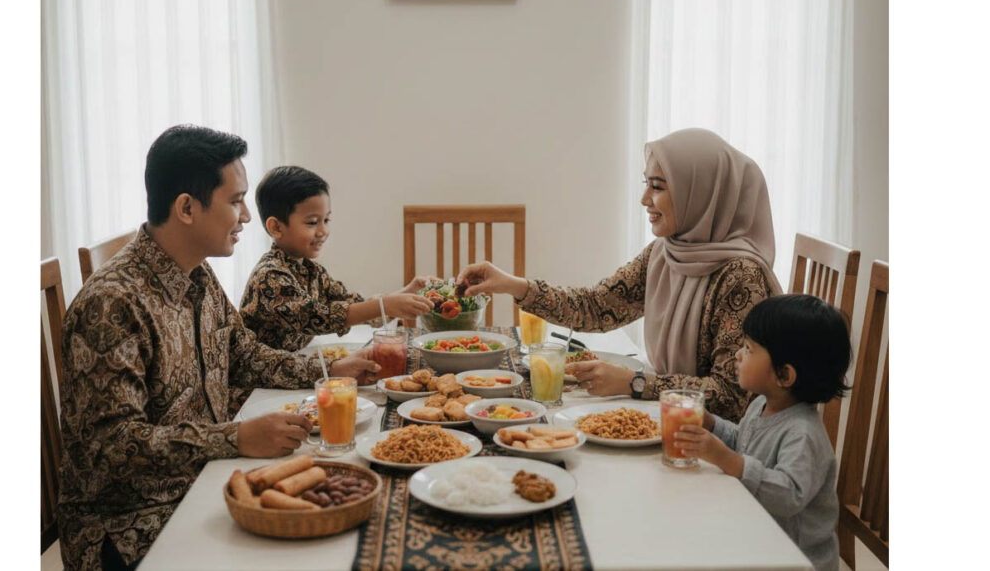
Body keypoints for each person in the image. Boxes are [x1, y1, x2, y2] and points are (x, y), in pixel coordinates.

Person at [56, 126, 380, 570]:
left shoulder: (197, 275)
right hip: (133, 526)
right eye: (235, 200)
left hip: (202, 482)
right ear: (187, 208)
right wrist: (238, 437)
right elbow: (113, 446)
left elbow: (245, 354)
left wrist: (333, 368)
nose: (247, 216)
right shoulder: (113, 304)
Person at [456, 128, 782, 421]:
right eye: (647, 185)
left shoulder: (742, 277)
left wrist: (634, 383)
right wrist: (513, 285)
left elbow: (730, 397)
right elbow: (598, 306)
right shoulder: (665, 253)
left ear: (701, 193)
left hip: (713, 445)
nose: (644, 200)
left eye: (657, 187)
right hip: (667, 417)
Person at [673, 294, 851, 571]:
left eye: (748, 348)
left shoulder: (803, 434)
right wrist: (712, 424)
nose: (738, 354)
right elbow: (745, 442)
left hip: (794, 558)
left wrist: (729, 461)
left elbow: (789, 495)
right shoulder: (762, 404)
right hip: (757, 535)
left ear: (784, 375)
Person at [240, 166, 433, 352]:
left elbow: (355, 306)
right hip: (264, 379)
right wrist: (386, 304)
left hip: (295, 363)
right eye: (312, 222)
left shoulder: (312, 271)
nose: (323, 231)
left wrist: (406, 293)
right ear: (276, 227)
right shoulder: (270, 276)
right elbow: (319, 317)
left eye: (326, 220)